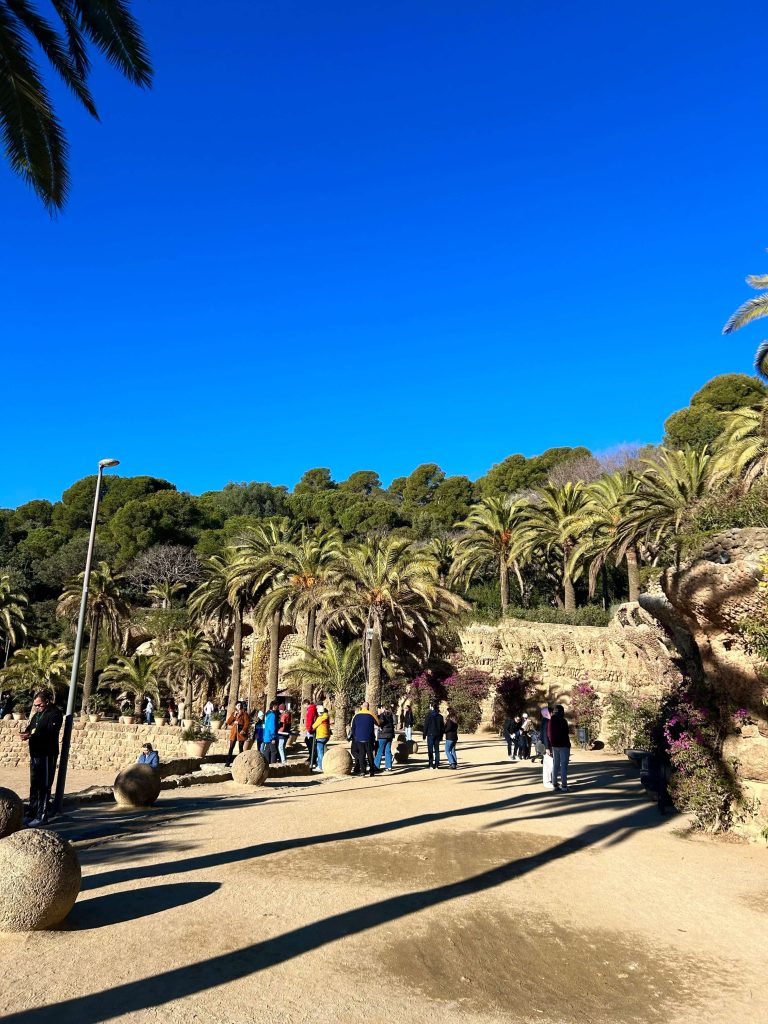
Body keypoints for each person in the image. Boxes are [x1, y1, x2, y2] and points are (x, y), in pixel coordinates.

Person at [19, 690, 63, 826]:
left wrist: (33, 736)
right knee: (35, 784)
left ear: (47, 702)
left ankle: (42, 815)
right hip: (36, 754)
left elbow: (50, 732)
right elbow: (30, 728)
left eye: (39, 705)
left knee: (44, 786)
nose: (37, 708)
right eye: (35, 706)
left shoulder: (54, 714)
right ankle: (32, 812)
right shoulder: (37, 715)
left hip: (47, 754)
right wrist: (25, 734)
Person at [349, 701, 379, 776]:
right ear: (368, 707)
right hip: (368, 737)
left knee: (361, 754)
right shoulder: (371, 714)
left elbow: (353, 727)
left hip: (359, 738)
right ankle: (371, 770)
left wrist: (355, 737)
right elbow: (378, 723)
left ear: (362, 707)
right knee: (369, 754)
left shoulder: (356, 715)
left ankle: (362, 771)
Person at [548, 704, 571, 791]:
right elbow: (566, 732)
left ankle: (554, 784)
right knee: (564, 765)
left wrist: (551, 743)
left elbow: (549, 733)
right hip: (564, 745)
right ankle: (564, 785)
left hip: (554, 746)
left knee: (556, 764)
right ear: (562, 711)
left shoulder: (551, 720)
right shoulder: (563, 720)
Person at [225, 701, 250, 768]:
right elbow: (228, 722)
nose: (239, 706)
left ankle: (241, 763)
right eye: (237, 705)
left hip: (240, 733)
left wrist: (243, 730)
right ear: (236, 706)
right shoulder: (234, 713)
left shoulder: (244, 714)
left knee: (240, 748)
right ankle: (227, 763)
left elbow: (247, 723)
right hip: (234, 733)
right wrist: (233, 717)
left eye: (240, 705)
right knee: (231, 748)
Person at [423, 702, 445, 770]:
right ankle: (437, 764)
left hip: (430, 734)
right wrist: (441, 735)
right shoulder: (440, 716)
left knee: (430, 750)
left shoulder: (428, 716)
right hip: (437, 735)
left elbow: (426, 726)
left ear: (432, 708)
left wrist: (424, 734)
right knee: (437, 750)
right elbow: (442, 728)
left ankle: (431, 764)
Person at [374, 704, 395, 772]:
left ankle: (376, 766)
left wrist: (378, 716)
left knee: (379, 751)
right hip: (390, 735)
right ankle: (388, 766)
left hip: (383, 735)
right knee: (388, 751)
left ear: (383, 708)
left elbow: (380, 723)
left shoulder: (383, 715)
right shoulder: (391, 715)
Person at [311, 703, 331, 771]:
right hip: (326, 736)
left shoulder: (320, 718)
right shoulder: (327, 716)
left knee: (320, 752)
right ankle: (322, 764)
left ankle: (320, 766)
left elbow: (313, 726)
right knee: (323, 751)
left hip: (321, 736)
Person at [540, 706, 554, 788]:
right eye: (551, 712)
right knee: (549, 764)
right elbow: (545, 735)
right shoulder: (547, 721)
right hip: (547, 746)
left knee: (549, 763)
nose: (552, 714)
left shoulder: (546, 720)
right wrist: (547, 747)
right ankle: (547, 781)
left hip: (547, 746)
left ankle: (549, 780)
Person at [304, 699, 318, 765]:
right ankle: (311, 757)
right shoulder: (313, 708)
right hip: (312, 729)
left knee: (311, 744)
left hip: (311, 730)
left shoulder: (310, 709)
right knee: (308, 741)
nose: (304, 707)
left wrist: (309, 730)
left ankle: (313, 758)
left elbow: (310, 720)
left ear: (307, 704)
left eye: (304, 705)